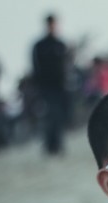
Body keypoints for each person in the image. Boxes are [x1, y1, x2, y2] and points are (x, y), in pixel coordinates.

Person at [32, 13, 68, 155]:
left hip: (60, 86)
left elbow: (65, 65)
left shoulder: (60, 44)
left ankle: (57, 144)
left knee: (59, 116)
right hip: (46, 87)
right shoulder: (40, 46)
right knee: (50, 115)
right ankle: (50, 145)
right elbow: (36, 67)